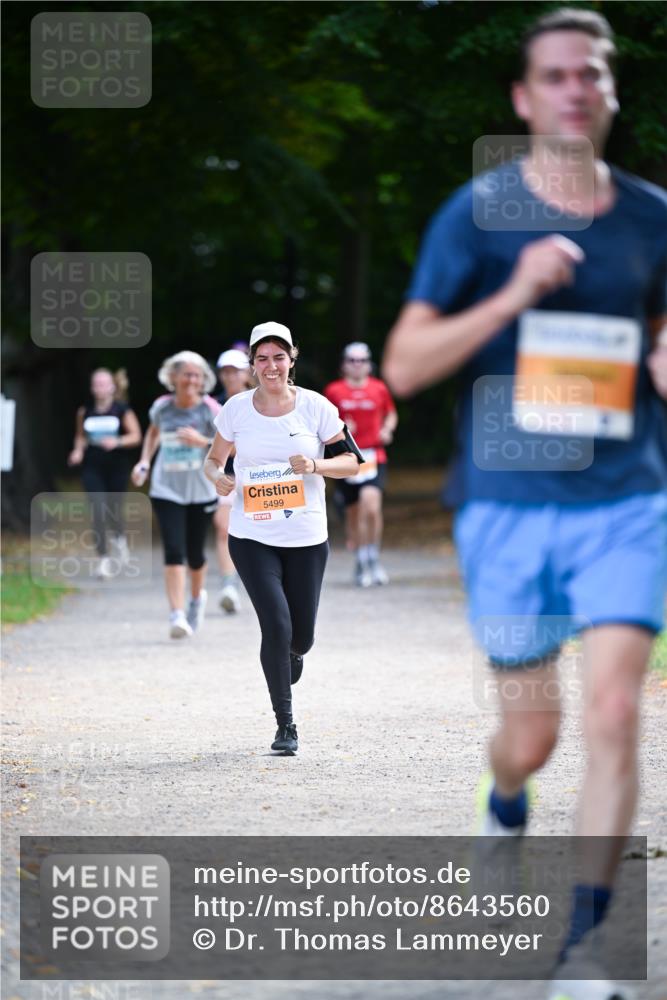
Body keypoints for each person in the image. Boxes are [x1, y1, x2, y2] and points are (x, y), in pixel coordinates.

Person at [382, 9, 667, 1000]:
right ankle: (504, 796)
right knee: (533, 735)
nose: (573, 89)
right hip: (507, 504)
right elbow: (405, 364)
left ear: (610, 91)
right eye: (553, 76)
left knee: (617, 708)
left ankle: (582, 951)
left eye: (590, 73)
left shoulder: (651, 216)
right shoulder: (475, 216)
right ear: (523, 97)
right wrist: (515, 295)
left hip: (625, 495)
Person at [204, 321, 359, 754]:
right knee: (275, 624)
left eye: (279, 357)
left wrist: (316, 467)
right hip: (252, 535)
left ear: (292, 360)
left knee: (301, 637)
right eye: (262, 359)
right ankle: (285, 725)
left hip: (307, 534)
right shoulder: (235, 409)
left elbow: (351, 462)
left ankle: (292, 653)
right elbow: (214, 460)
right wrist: (218, 477)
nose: (270, 366)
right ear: (252, 364)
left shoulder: (316, 407)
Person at [131, 351, 220, 639]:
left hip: (201, 490)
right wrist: (144, 462)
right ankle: (177, 614)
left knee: (195, 554)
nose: (191, 380)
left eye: (197, 375)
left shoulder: (210, 409)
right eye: (186, 374)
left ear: (203, 379)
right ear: (174, 377)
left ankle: (196, 599)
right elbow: (153, 433)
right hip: (166, 488)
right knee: (174, 550)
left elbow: (228, 444)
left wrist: (202, 441)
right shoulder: (162, 407)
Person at [324, 343, 398, 587]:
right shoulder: (334, 390)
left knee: (372, 506)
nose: (358, 365)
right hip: (347, 457)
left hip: (374, 455)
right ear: (344, 364)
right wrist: (341, 428)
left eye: (362, 360)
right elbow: (324, 421)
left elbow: (391, 413)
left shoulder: (379, 388)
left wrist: (387, 428)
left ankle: (372, 556)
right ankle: (360, 559)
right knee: (353, 513)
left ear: (369, 363)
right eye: (352, 360)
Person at [68, 368, 142, 578]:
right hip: (93, 466)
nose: (100, 388)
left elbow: (136, 436)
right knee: (97, 511)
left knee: (113, 509)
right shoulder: (85, 411)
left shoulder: (122, 410)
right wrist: (77, 451)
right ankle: (103, 560)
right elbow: (80, 436)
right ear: (92, 388)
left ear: (112, 386)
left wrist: (117, 441)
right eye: (96, 384)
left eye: (104, 383)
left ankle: (119, 539)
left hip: (116, 466)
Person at [212, 348, 255, 614]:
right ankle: (229, 584)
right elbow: (213, 450)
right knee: (222, 526)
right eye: (225, 371)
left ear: (247, 373)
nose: (229, 376)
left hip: (258, 476)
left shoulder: (259, 403)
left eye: (234, 371)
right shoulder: (213, 405)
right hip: (225, 475)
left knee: (256, 532)